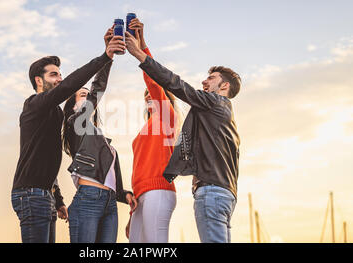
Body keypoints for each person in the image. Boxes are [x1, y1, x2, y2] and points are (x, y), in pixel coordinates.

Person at [125, 30, 241, 243]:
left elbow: (174, 84)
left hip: (211, 193)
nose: (204, 82)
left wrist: (141, 53)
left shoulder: (212, 103)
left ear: (224, 86)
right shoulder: (224, 117)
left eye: (211, 78)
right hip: (224, 193)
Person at [11, 27, 124, 243]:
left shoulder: (56, 115)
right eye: (54, 74)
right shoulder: (33, 105)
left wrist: (58, 198)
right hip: (30, 194)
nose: (60, 79)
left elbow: (46, 158)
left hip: (44, 196)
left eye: (61, 74)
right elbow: (69, 87)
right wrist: (104, 56)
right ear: (38, 80)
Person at [62, 28, 137, 243]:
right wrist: (108, 56)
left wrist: (124, 194)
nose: (88, 99)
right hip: (88, 200)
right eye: (83, 95)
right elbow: (98, 90)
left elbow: (110, 174)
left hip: (109, 203)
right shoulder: (75, 123)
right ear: (73, 105)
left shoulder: (98, 137)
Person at [125, 18, 178, 243]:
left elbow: (155, 83)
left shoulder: (168, 118)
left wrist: (141, 48)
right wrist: (134, 202)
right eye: (145, 95)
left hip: (158, 190)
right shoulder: (147, 126)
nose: (148, 96)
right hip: (140, 195)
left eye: (151, 94)